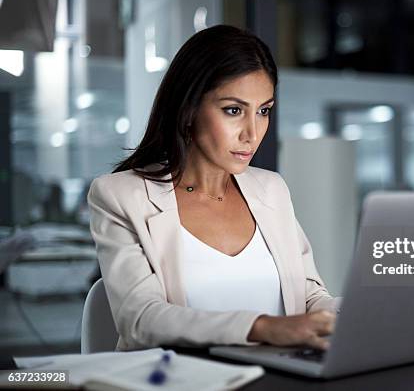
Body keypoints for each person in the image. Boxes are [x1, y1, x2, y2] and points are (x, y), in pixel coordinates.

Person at [88, 25, 338, 352]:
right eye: (233, 110)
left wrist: (366, 310)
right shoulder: (120, 197)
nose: (252, 132)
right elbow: (141, 320)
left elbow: (310, 297)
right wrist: (264, 328)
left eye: (263, 111)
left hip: (279, 378)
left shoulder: (271, 189)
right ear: (188, 108)